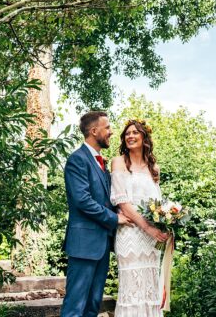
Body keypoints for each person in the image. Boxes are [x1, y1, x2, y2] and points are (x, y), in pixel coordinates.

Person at [60, 111, 133, 317]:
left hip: (101, 245)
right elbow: (82, 200)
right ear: (94, 131)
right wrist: (114, 218)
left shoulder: (101, 162)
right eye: (107, 127)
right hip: (84, 244)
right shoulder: (77, 160)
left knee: (92, 305)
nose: (111, 132)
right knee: (75, 306)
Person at [110, 119, 170, 317]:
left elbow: (157, 204)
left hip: (151, 240)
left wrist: (166, 223)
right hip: (130, 234)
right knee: (132, 290)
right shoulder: (119, 162)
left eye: (135, 132)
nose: (130, 136)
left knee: (150, 289)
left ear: (145, 137)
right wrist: (148, 228)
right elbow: (122, 201)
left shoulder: (155, 169)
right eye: (127, 133)